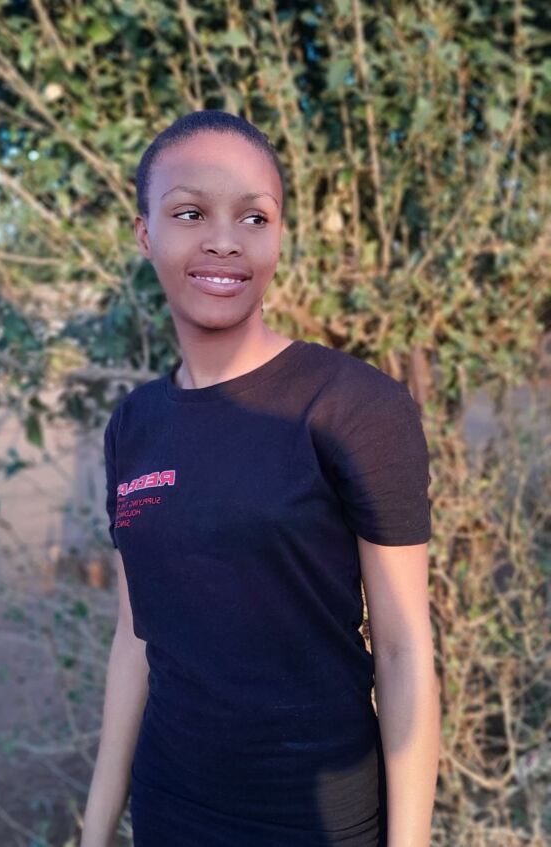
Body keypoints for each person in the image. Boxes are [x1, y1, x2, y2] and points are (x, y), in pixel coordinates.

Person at [81, 110, 440, 847]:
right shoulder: (134, 425)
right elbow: (134, 640)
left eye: (254, 217)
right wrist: (95, 830)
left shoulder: (354, 406)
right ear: (145, 233)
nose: (225, 240)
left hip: (317, 818)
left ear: (279, 237)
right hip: (170, 809)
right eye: (190, 213)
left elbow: (404, 652)